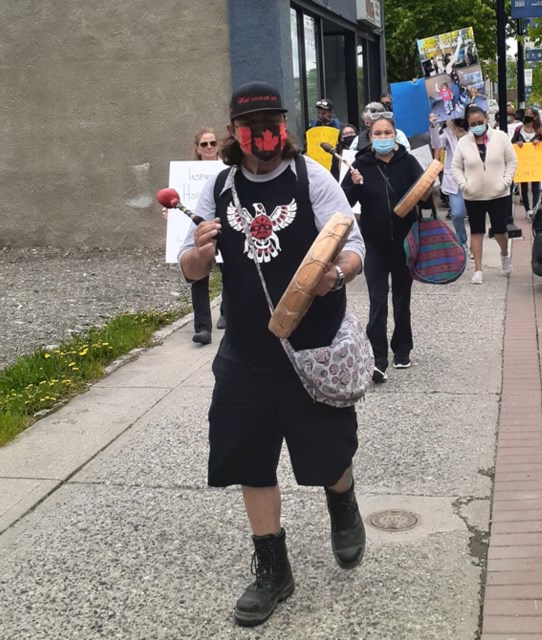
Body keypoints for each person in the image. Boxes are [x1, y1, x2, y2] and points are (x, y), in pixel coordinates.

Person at [177, 81, 367, 627]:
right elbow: (191, 271)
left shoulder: (311, 177)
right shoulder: (218, 187)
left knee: (328, 453)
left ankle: (343, 504)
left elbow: (353, 245)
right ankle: (273, 570)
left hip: (311, 348)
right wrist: (199, 252)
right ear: (235, 135)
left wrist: (338, 272)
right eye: (249, 126)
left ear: (284, 127)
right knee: (248, 459)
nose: (261, 135)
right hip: (247, 354)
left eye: (271, 123)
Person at [342, 113, 426, 383]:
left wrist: (428, 187)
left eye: (387, 133)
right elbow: (343, 201)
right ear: (370, 137)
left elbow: (423, 193)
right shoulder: (361, 164)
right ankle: (376, 358)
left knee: (402, 298)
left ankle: (402, 349)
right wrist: (352, 185)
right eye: (377, 134)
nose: (382, 138)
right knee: (377, 299)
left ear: (395, 135)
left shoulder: (409, 162)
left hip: (404, 242)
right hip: (374, 244)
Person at [161, 127, 225, 344]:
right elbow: (176, 203)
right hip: (199, 233)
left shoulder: (228, 170)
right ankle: (202, 327)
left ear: (219, 146)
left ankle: (226, 312)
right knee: (198, 277)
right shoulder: (185, 174)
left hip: (223, 227)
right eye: (204, 144)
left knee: (230, 270)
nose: (209, 148)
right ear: (197, 149)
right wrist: (172, 216)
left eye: (212, 143)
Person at [450, 105, 518, 285]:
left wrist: (506, 181)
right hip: (474, 195)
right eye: (473, 123)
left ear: (486, 120)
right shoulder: (463, 143)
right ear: (468, 124)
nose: (477, 125)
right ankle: (478, 269)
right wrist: (464, 185)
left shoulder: (501, 138)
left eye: (480, 122)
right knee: (477, 232)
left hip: (498, 193)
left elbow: (512, 161)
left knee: (500, 230)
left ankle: (504, 254)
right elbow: (455, 167)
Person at [429, 113, 469, 249]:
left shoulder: (475, 130)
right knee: (457, 214)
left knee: (476, 215)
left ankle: (476, 244)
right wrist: (434, 126)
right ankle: (462, 242)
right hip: (456, 181)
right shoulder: (448, 132)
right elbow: (436, 144)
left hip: (474, 179)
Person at [511, 108, 542, 214]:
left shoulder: (540, 131)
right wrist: (517, 142)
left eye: (529, 114)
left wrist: (539, 141)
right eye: (526, 113)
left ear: (535, 117)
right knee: (524, 186)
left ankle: (535, 208)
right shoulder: (518, 129)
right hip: (523, 164)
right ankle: (527, 209)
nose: (527, 115)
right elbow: (512, 143)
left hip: (535, 164)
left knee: (536, 186)